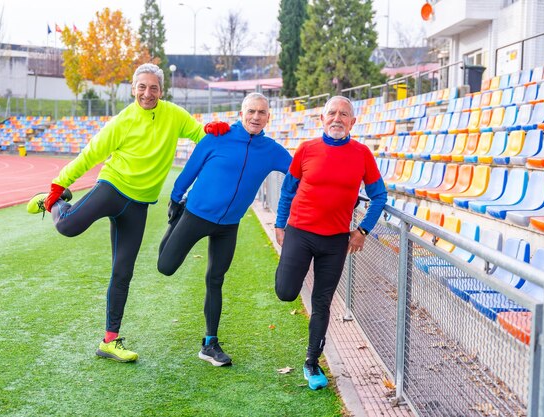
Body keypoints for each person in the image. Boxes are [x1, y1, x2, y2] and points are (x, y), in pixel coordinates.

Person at [25, 63, 229, 363]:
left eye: (154, 87)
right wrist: (59, 185)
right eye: (142, 87)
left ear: (162, 90)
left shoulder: (174, 115)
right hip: (112, 187)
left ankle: (110, 341)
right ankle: (52, 203)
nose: (148, 93)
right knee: (67, 227)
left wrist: (213, 131)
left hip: (138, 205)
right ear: (134, 88)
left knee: (123, 272)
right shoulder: (122, 121)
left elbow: (200, 135)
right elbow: (90, 154)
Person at [157, 92, 292, 367]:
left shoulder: (271, 150)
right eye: (251, 111)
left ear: (268, 117)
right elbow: (190, 170)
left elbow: (299, 171)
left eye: (262, 113)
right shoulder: (217, 137)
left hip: (229, 225)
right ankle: (175, 224)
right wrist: (176, 197)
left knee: (215, 279)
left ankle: (210, 343)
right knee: (166, 266)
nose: (256, 117)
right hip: (195, 214)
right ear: (241, 114)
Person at [273, 96, 387, 390]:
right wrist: (279, 224)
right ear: (321, 119)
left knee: (322, 302)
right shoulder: (307, 149)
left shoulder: (362, 154)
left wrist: (362, 230)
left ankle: (311, 363)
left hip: (336, 241)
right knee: (286, 292)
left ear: (353, 122)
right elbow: (288, 190)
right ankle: (290, 277)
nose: (337, 118)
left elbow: (379, 196)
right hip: (300, 232)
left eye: (344, 114)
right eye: (332, 113)